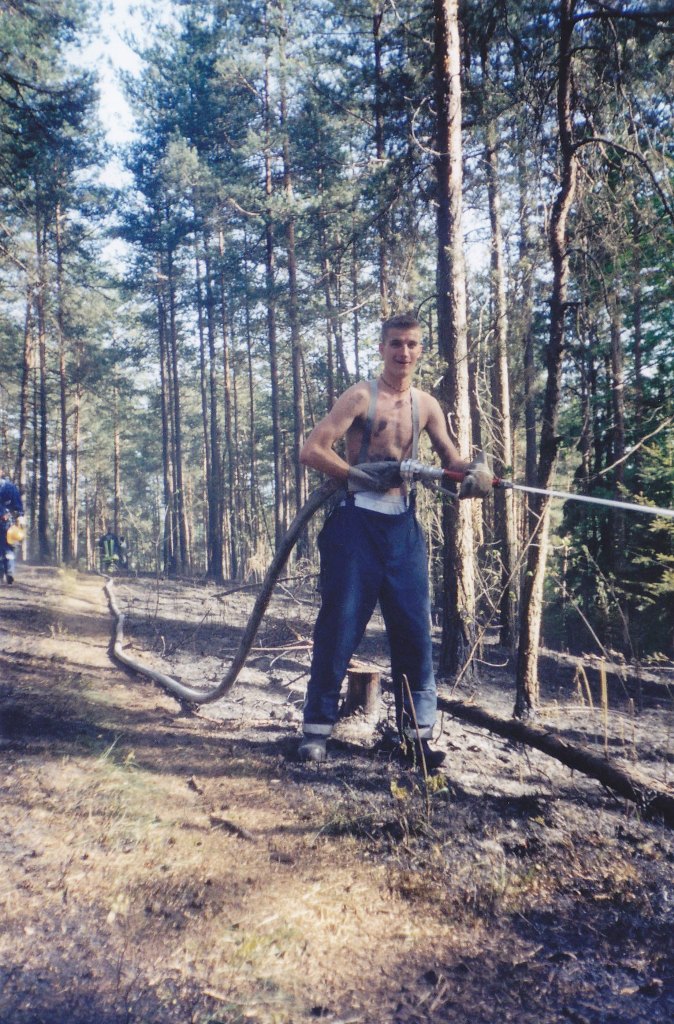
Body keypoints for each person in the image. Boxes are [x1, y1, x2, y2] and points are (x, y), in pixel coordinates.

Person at [297, 313, 493, 767]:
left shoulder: (424, 405)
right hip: (355, 527)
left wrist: (476, 475)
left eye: (411, 345)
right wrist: (355, 475)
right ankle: (316, 733)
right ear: (382, 348)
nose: (403, 352)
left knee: (414, 632)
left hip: (402, 529)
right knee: (339, 629)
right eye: (395, 344)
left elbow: (450, 459)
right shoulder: (361, 396)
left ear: (420, 350)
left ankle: (414, 739)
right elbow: (312, 449)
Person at [0, 471, 25, 586]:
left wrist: (19, 516)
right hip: (6, 523)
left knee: (7, 550)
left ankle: (9, 573)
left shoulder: (9, 487)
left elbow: (18, 506)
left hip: (6, 525)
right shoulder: (10, 487)